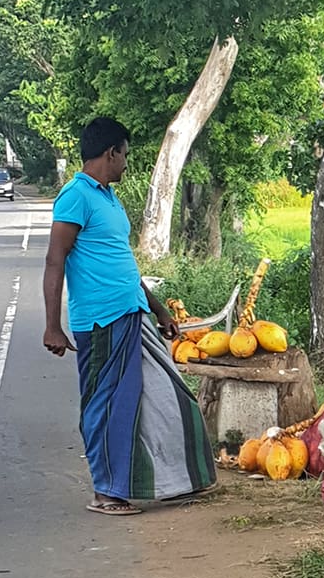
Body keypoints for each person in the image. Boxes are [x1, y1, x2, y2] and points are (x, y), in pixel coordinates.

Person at [43, 116, 216, 515]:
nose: (126, 163)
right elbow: (55, 261)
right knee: (106, 406)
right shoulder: (75, 196)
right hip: (102, 321)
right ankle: (106, 492)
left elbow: (124, 267)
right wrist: (53, 325)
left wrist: (158, 309)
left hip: (132, 312)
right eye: (124, 155)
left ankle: (169, 481)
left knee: (167, 398)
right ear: (111, 153)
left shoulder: (108, 197)